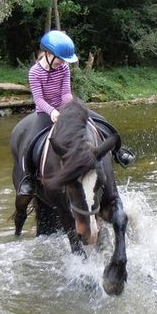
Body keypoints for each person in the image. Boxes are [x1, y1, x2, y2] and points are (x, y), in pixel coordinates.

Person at [17, 30, 135, 196]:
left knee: (102, 121)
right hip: (45, 111)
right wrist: (52, 112)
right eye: (60, 58)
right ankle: (29, 178)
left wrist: (69, 109)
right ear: (48, 54)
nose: (62, 62)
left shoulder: (64, 67)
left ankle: (118, 152)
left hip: (66, 108)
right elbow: (39, 99)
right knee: (31, 143)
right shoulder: (35, 72)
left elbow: (66, 93)